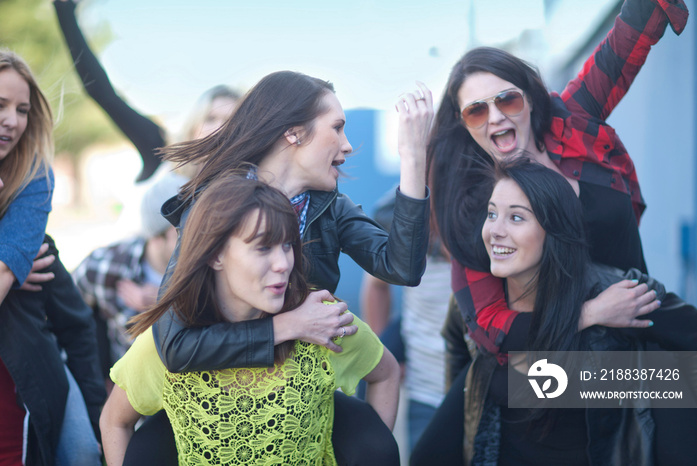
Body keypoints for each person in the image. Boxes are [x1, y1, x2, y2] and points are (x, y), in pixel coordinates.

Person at [425, 0, 691, 462]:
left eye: (507, 99)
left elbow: (620, 48)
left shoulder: (573, 123)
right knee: (440, 445)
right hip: (539, 360)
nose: (496, 118)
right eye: (475, 111)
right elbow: (489, 329)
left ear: (529, 96)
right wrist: (589, 314)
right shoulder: (474, 205)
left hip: (631, 319)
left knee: (680, 398)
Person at [126, 70, 431, 465]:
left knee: (372, 445)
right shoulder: (214, 205)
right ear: (293, 134)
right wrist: (288, 326)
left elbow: (402, 267)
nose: (348, 145)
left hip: (294, 401)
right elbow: (175, 345)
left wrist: (413, 159)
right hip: (213, 403)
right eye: (337, 128)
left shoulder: (330, 206)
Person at [413, 158, 697, 465]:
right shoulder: (478, 301)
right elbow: (459, 352)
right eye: (492, 213)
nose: (495, 230)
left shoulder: (617, 294)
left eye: (517, 218)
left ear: (554, 230)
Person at [100, 175, 401, 465]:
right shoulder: (171, 341)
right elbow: (114, 421)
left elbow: (386, 374)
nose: (283, 264)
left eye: (287, 246)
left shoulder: (319, 319)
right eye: (263, 247)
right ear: (215, 255)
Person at [0, 49, 105, 466]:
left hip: (26, 377)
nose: (12, 119)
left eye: (22, 109)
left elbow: (74, 323)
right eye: (0, 105)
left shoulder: (34, 180)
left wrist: (13, 265)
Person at [53, 0, 241, 182]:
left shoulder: (243, 183)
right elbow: (102, 93)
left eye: (228, 122)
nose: (218, 128)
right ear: (194, 123)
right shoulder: (160, 147)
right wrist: (65, 8)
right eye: (210, 118)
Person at [360, 187, 452, 451]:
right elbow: (377, 285)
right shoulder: (411, 213)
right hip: (427, 389)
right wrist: (385, 357)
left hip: (493, 389)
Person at [72, 173, 186, 387]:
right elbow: (65, 315)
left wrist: (168, 303)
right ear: (156, 235)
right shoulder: (106, 266)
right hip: (129, 399)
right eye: (182, 230)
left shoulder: (211, 266)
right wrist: (97, 382)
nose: (195, 236)